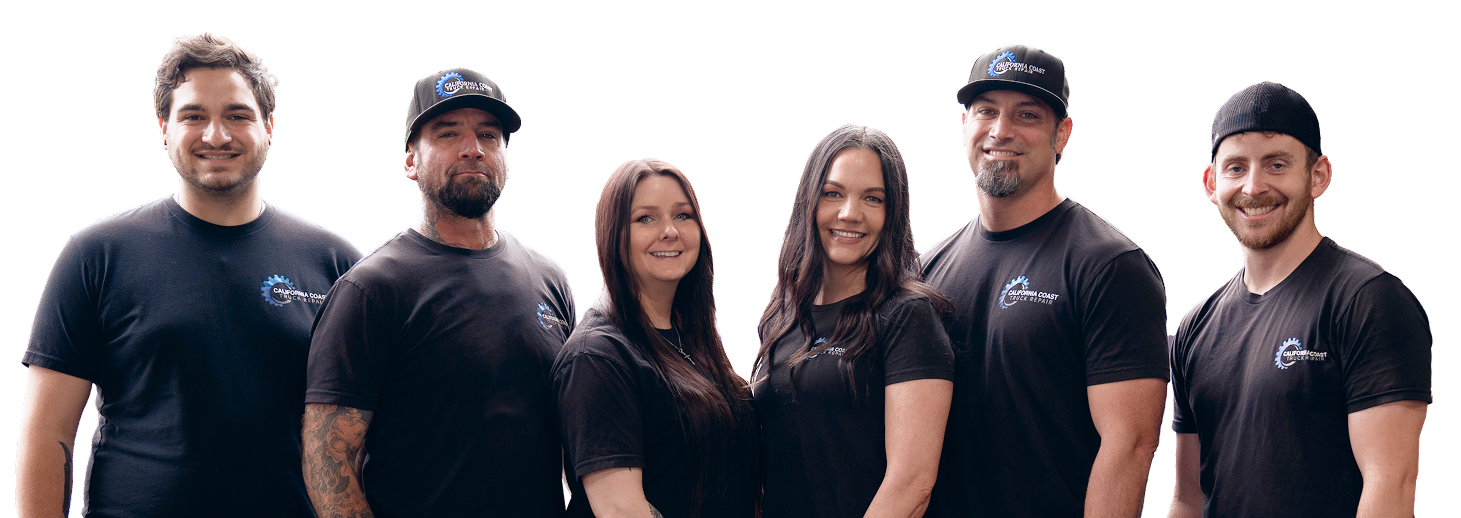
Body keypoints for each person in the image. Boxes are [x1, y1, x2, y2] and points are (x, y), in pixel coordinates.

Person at [16, 31, 361, 517]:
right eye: (193, 116)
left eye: (237, 115)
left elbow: (365, 432)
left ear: (268, 125)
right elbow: (47, 432)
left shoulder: (336, 262)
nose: (216, 136)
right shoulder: (96, 254)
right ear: (164, 127)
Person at [301, 68, 576, 517]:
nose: (472, 148)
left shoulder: (550, 277)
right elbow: (327, 461)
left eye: (489, 135)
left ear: (506, 158)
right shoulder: (370, 289)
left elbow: (566, 433)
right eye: (448, 133)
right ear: (410, 160)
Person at [920, 43, 1169, 517]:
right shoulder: (926, 270)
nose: (1001, 130)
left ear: (1063, 134)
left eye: (1027, 114)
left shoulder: (1110, 265)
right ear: (964, 125)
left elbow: (1130, 447)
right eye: (986, 111)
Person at [1167, 82, 1431, 517]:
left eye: (1276, 164)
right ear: (1211, 183)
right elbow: (1187, 498)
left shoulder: (1369, 301)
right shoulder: (1196, 326)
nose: (1254, 186)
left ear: (1318, 175)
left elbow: (1390, 484)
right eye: (1236, 167)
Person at [752, 123, 953, 517]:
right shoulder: (783, 315)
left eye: (873, 199)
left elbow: (912, 483)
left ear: (893, 213)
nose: (850, 213)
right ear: (809, 201)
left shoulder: (908, 316)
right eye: (833, 193)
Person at [554, 158, 757, 518]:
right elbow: (621, 510)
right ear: (613, 235)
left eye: (682, 215)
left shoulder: (692, 339)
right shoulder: (597, 357)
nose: (669, 231)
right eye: (645, 218)